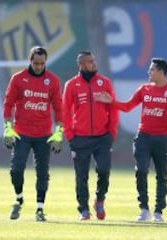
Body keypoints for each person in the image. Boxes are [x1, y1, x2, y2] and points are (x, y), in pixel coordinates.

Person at [94, 58, 167, 223]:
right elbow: (128, 106)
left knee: (162, 175)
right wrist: (111, 102)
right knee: (141, 170)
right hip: (143, 136)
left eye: (151, 70)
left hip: (162, 139)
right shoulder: (144, 89)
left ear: (160, 71)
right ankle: (144, 208)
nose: (148, 72)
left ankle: (158, 212)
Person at [2, 46, 63, 222]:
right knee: (16, 170)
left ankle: (40, 209)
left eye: (42, 63)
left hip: (44, 134)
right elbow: (8, 103)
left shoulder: (52, 80)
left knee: (42, 172)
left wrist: (59, 131)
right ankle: (19, 199)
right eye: (36, 63)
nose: (39, 67)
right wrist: (7, 127)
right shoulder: (18, 78)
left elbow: (58, 107)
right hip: (22, 133)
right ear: (30, 61)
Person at [62, 51, 119, 220]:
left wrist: (111, 133)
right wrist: (70, 136)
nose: (94, 63)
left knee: (104, 170)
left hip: (103, 137)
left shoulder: (105, 82)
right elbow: (65, 112)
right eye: (90, 61)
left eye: (94, 60)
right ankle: (83, 209)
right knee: (81, 176)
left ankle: (99, 200)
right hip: (80, 138)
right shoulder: (71, 85)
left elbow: (113, 108)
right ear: (81, 65)